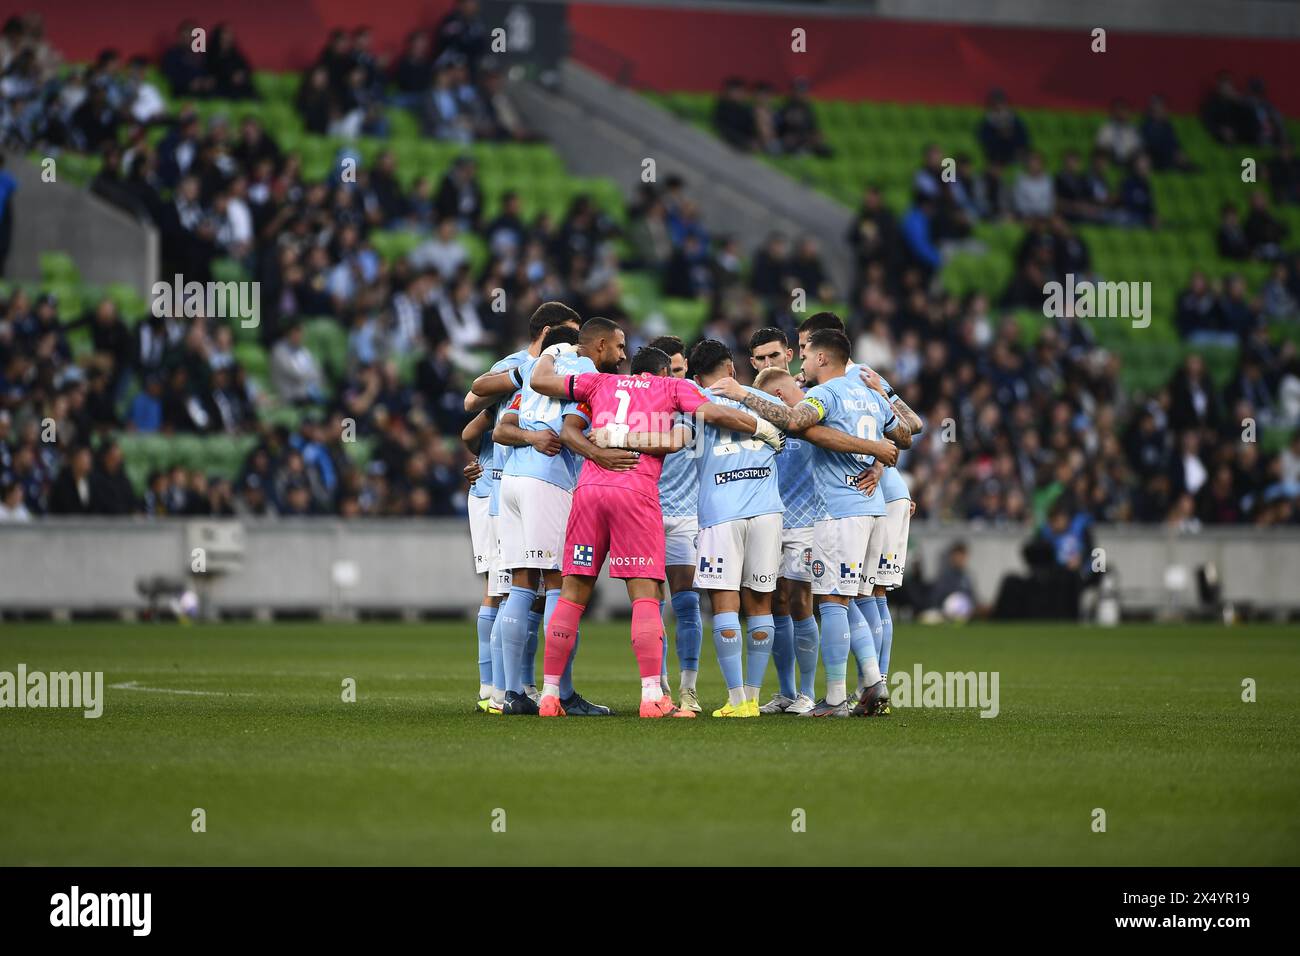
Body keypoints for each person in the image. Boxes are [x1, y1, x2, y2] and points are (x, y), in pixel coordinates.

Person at [526, 341, 785, 718]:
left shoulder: (600, 383)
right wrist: (762, 427)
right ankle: (652, 696)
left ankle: (549, 694)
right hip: (635, 491)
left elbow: (542, 382)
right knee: (646, 595)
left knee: (571, 593)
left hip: (589, 490)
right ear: (665, 372)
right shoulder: (673, 388)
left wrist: (552, 350)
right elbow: (713, 413)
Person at [709, 325, 911, 717]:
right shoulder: (869, 392)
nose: (801, 360)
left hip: (837, 510)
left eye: (805, 353)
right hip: (871, 511)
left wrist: (743, 393)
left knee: (832, 602)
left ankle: (836, 697)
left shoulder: (825, 393)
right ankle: (873, 681)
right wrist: (878, 460)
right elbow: (902, 435)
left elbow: (797, 420)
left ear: (820, 357)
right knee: (850, 599)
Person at [492, 321, 633, 716]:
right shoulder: (584, 373)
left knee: (521, 584)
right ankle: (562, 692)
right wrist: (601, 456)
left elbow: (502, 429)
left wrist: (532, 436)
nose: (622, 356)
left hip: (514, 481)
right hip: (548, 482)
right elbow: (571, 434)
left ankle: (512, 694)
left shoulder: (546, 365)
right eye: (619, 347)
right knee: (560, 584)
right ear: (600, 345)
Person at [462, 301, 582, 713]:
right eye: (571, 332)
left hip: (516, 483)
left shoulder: (561, 368)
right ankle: (494, 688)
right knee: (508, 588)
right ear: (549, 332)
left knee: (524, 589)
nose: (578, 341)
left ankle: (519, 686)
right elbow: (470, 407)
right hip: (507, 487)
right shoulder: (518, 364)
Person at [647, 335, 706, 712]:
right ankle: (659, 688)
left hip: (685, 516)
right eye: (671, 371)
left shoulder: (699, 402)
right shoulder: (637, 404)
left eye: (682, 371)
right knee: (649, 606)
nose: (678, 379)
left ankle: (689, 688)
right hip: (645, 513)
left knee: (686, 603)